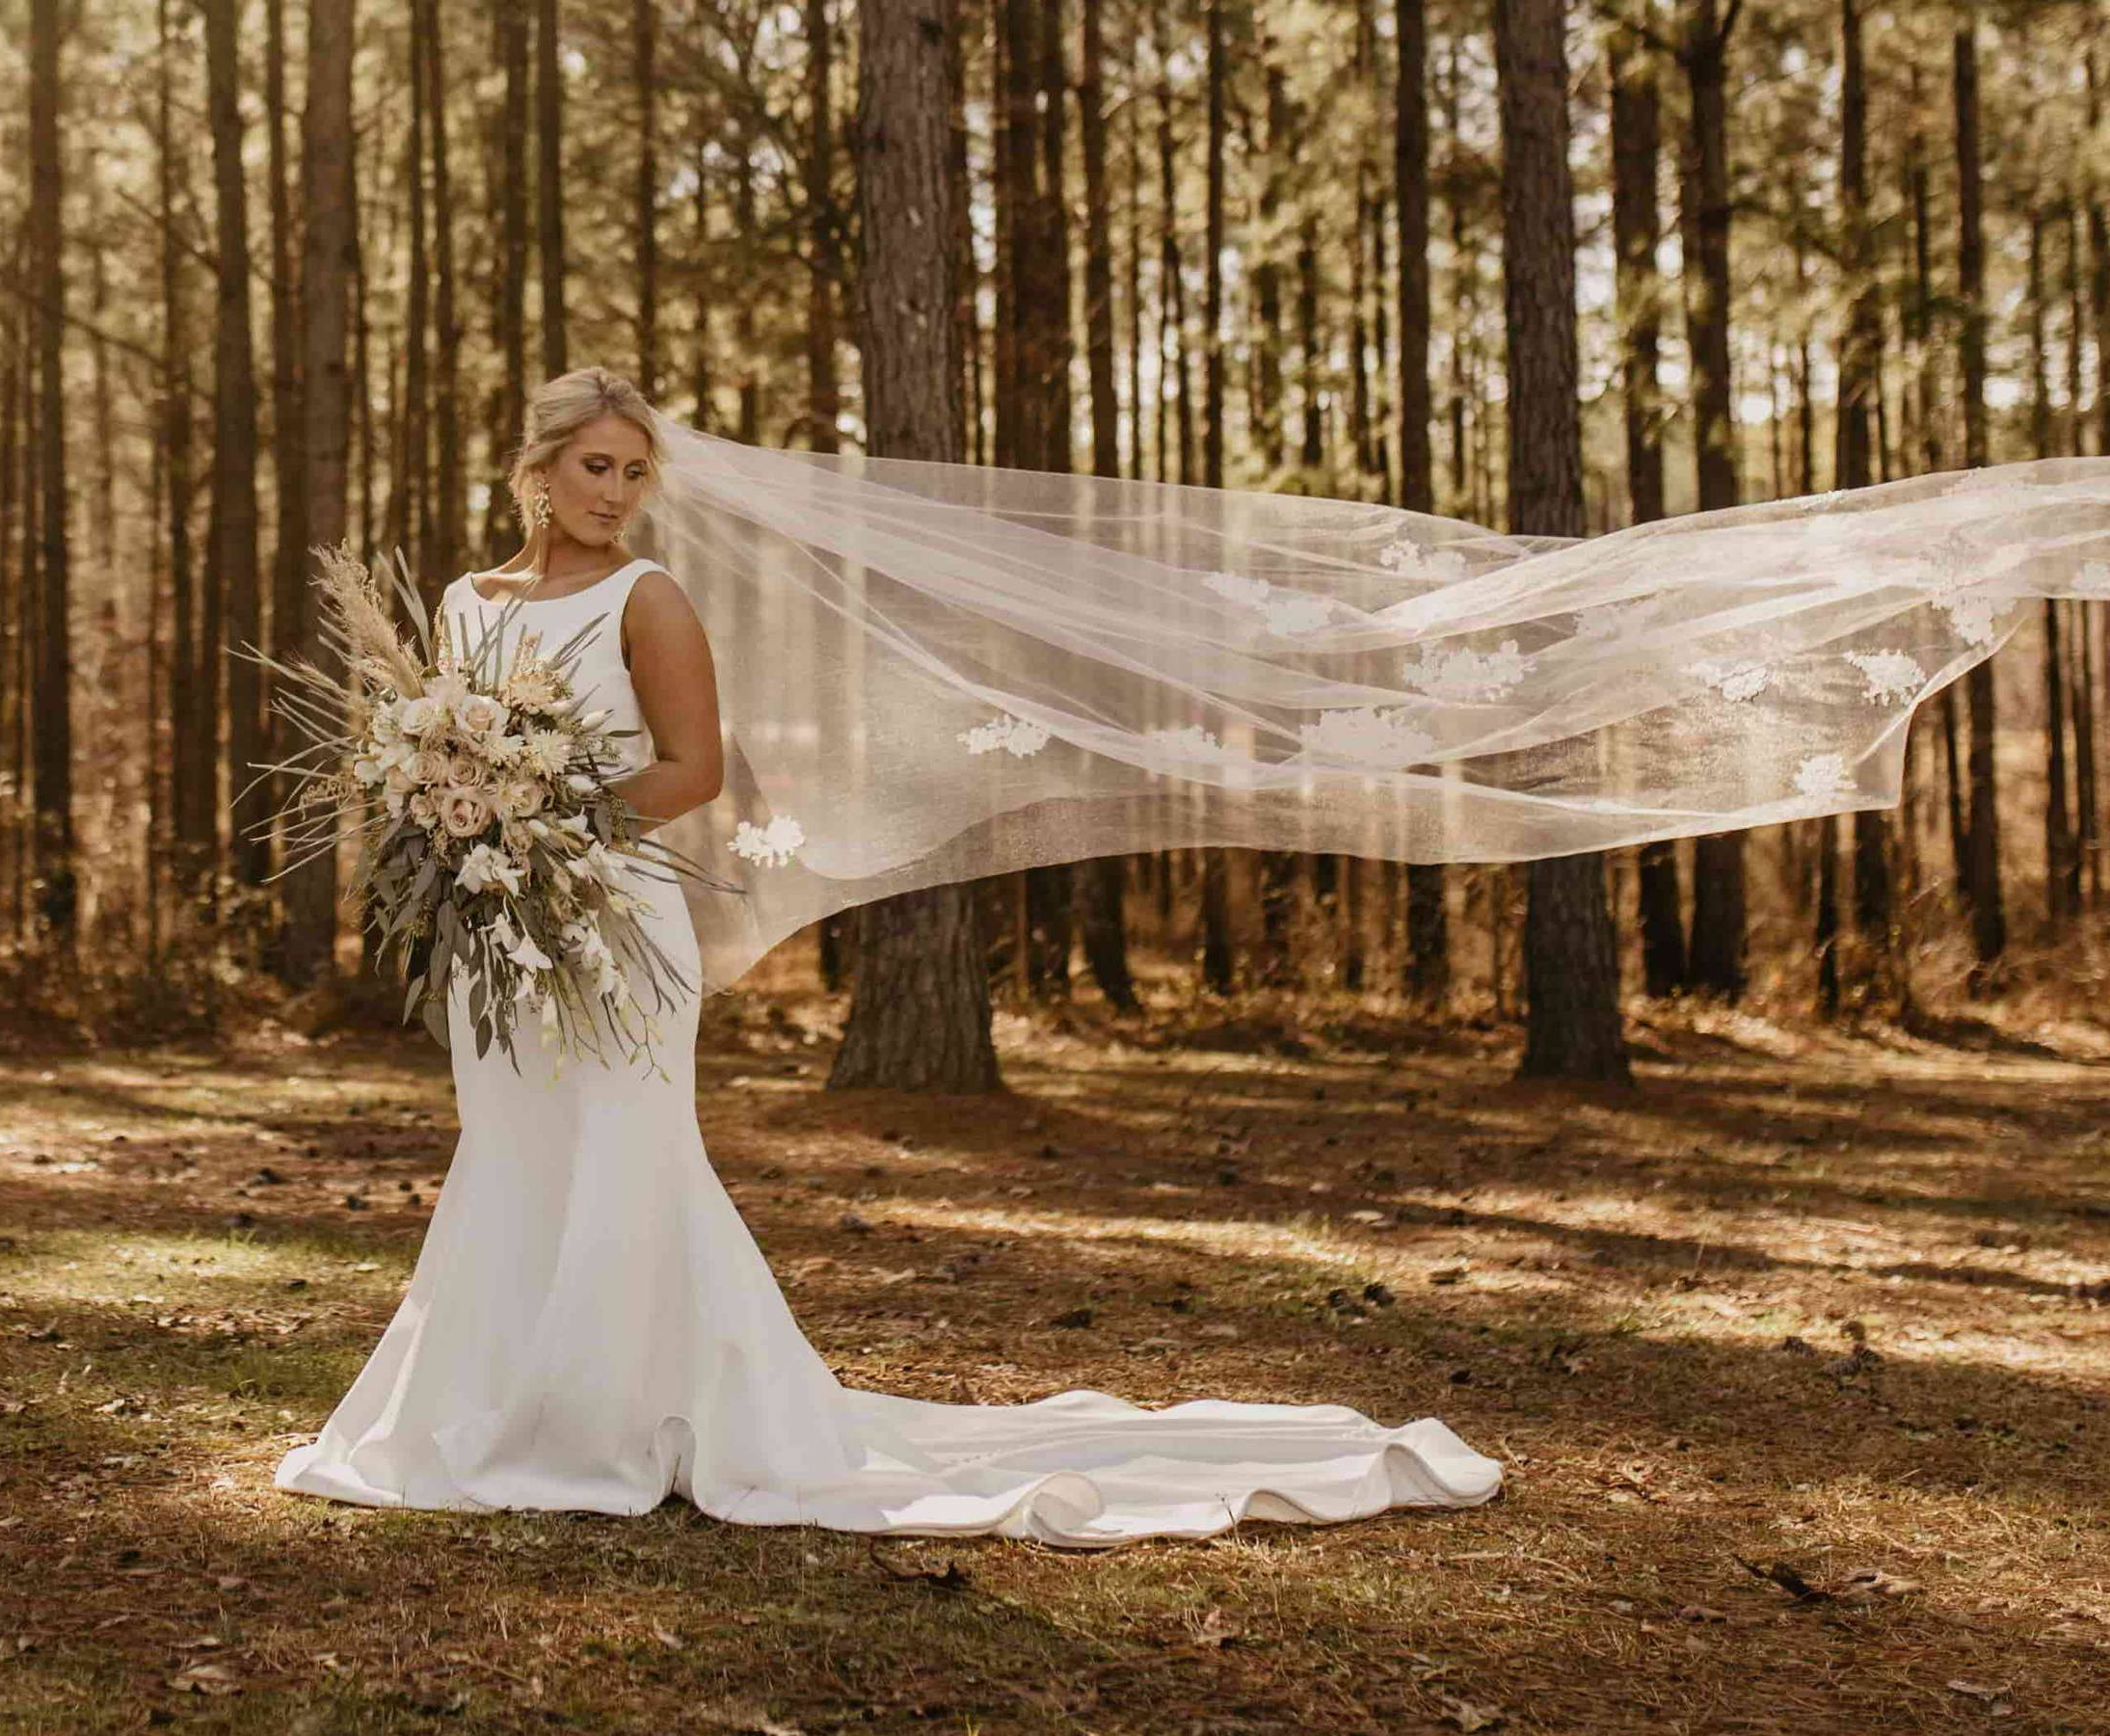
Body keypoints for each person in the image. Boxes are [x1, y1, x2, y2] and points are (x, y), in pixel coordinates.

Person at [270, 367, 1506, 1545]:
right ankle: (493, 1404)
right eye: (596, 466)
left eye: (635, 473)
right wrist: (462, 812)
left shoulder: (647, 596)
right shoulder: (461, 602)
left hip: (615, 917)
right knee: (516, 1149)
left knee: (627, 1154)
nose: (614, 492)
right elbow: (434, 754)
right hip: (500, 926)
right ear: (535, 466)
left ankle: (615, 1421)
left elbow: (691, 770)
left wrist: (548, 803)